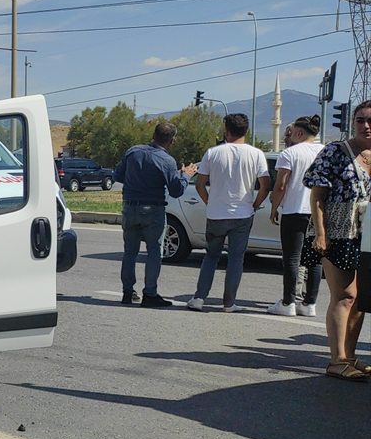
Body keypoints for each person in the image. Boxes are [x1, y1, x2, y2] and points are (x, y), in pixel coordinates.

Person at [302, 100, 371, 380]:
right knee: (345, 295)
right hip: (338, 232)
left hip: (367, 236)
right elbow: (317, 196)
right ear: (352, 123)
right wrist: (321, 234)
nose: (365, 125)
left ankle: (350, 357)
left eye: (370, 121)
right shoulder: (336, 151)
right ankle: (336, 360)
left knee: (361, 299)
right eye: (360, 120)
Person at [186, 113, 270, 313]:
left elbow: (200, 183)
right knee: (235, 259)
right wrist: (254, 205)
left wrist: (210, 202)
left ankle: (199, 298)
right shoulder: (256, 154)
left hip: (216, 214)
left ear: (227, 130)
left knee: (211, 256)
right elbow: (266, 185)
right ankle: (229, 303)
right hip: (242, 214)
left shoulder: (213, 153)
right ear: (246, 131)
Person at [114, 122, 193, 307]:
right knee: (153, 252)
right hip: (153, 210)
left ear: (154, 134)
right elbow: (176, 190)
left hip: (130, 207)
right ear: (172, 140)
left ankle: (127, 292)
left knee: (130, 252)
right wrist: (186, 175)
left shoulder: (133, 152)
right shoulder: (167, 161)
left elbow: (118, 175)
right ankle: (150, 293)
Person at [267, 115, 324, 317]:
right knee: (315, 259)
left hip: (294, 210)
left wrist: (274, 207)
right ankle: (309, 303)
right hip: (319, 212)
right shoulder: (325, 151)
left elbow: (281, 184)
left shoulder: (289, 153)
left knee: (292, 257)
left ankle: (288, 302)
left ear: (299, 133)